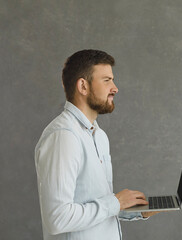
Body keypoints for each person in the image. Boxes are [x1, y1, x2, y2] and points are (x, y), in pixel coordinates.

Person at [35, 49, 159, 240]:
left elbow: (95, 206)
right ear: (83, 86)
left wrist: (135, 211)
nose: (115, 88)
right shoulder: (64, 137)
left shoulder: (99, 135)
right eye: (107, 80)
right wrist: (116, 202)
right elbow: (57, 218)